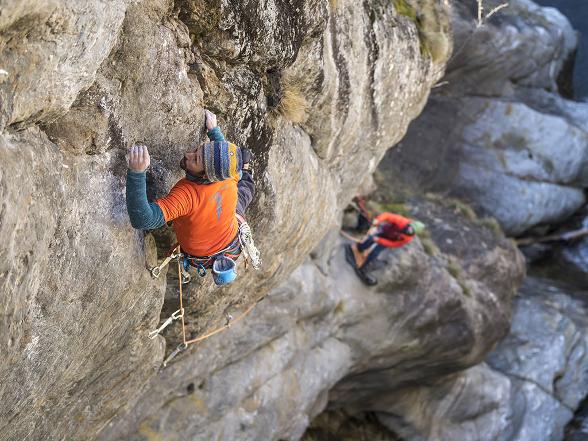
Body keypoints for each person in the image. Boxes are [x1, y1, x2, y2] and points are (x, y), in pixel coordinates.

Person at [126, 109, 260, 284]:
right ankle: (247, 172)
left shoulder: (187, 196)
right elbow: (224, 161)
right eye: (197, 150)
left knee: (244, 188)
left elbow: (143, 220)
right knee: (244, 188)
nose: (188, 156)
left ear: (206, 176)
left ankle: (247, 172)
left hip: (211, 249)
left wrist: (136, 173)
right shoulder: (228, 175)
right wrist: (214, 131)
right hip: (231, 222)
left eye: (195, 160)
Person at [344, 212, 422, 286]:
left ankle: (363, 268)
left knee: (375, 252)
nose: (409, 230)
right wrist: (378, 220)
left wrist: (379, 240)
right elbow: (387, 215)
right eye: (410, 228)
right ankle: (360, 248)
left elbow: (394, 244)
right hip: (384, 230)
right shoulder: (402, 221)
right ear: (410, 224)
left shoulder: (407, 238)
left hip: (389, 240)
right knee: (370, 239)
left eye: (411, 231)